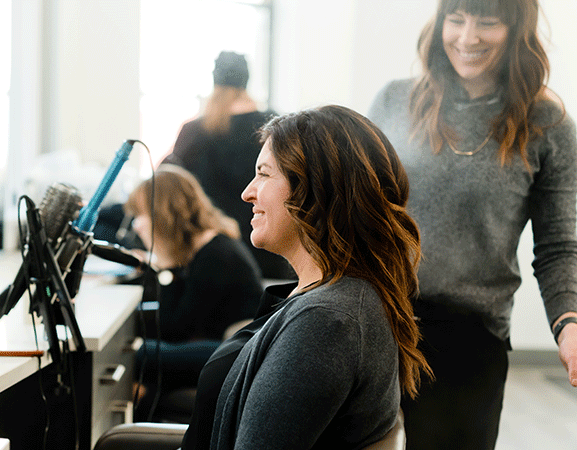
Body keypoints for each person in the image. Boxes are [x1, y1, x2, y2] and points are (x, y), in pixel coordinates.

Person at [367, 0, 577, 448]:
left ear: (517, 29)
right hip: (378, 317)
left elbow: (558, 246)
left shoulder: (548, 126)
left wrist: (568, 323)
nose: (467, 37)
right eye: (457, 18)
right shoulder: (393, 101)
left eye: (487, 21)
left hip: (469, 336)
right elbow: (355, 210)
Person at [180, 105, 431, 450]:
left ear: (314, 191)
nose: (247, 193)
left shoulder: (326, 324)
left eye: (264, 174)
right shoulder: (330, 299)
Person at [123, 164, 264, 420]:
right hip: (224, 346)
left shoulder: (216, 256)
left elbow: (175, 328)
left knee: (138, 354)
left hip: (235, 353)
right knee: (145, 366)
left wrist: (165, 268)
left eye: (141, 215)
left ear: (162, 215)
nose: (137, 225)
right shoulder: (206, 248)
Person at [163, 51, 293, 280]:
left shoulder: (194, 132)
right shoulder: (274, 127)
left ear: (215, 82)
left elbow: (167, 186)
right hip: (270, 252)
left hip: (212, 257)